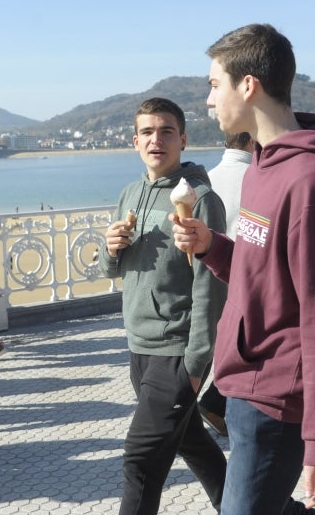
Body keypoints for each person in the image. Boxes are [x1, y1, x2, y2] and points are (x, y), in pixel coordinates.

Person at [173, 23, 315, 515]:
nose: (210, 101)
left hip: (276, 397)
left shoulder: (309, 182)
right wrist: (213, 246)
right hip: (239, 382)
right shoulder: (263, 165)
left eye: (215, 85)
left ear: (248, 84)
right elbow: (264, 275)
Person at [98, 97, 228, 515]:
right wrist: (110, 249)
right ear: (135, 141)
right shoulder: (130, 194)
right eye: (148, 132)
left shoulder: (201, 199)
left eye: (167, 131)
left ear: (183, 140)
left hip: (176, 351)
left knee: (140, 461)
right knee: (194, 444)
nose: (157, 139)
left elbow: (211, 287)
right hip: (139, 348)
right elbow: (113, 270)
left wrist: (195, 364)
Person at [198, 131, 255, 437]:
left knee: (224, 344)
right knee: (244, 345)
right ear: (251, 142)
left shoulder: (206, 179)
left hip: (209, 267)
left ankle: (215, 402)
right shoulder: (258, 178)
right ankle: (216, 402)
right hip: (244, 273)